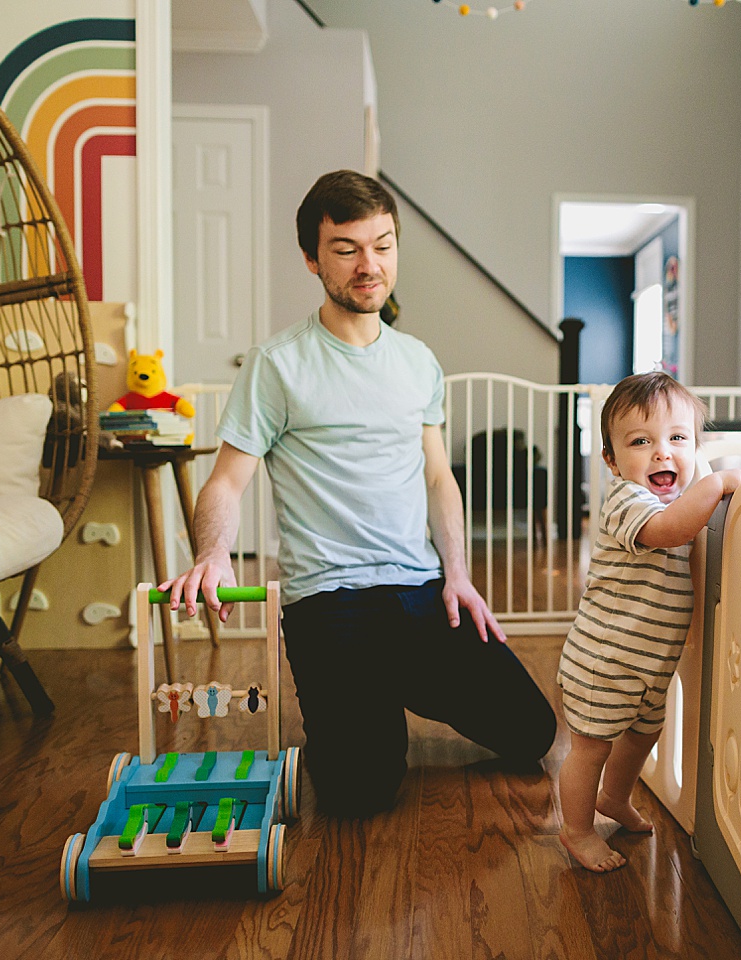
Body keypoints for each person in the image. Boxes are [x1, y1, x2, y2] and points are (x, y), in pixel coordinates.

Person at [159, 170, 557, 818]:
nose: (369, 265)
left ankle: (397, 678)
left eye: (383, 244)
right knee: (358, 794)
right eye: (347, 249)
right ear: (313, 260)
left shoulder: (418, 361)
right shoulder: (277, 364)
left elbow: (437, 477)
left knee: (534, 735)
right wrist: (213, 554)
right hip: (331, 603)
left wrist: (457, 574)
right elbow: (227, 480)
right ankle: (363, 695)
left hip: (423, 592)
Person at [555, 372, 741, 872]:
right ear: (613, 461)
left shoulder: (676, 499)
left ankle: (614, 799)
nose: (662, 453)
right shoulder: (628, 502)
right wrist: (718, 482)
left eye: (678, 439)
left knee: (642, 735)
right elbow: (667, 532)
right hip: (605, 660)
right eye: (641, 442)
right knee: (590, 748)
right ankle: (576, 830)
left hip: (647, 663)